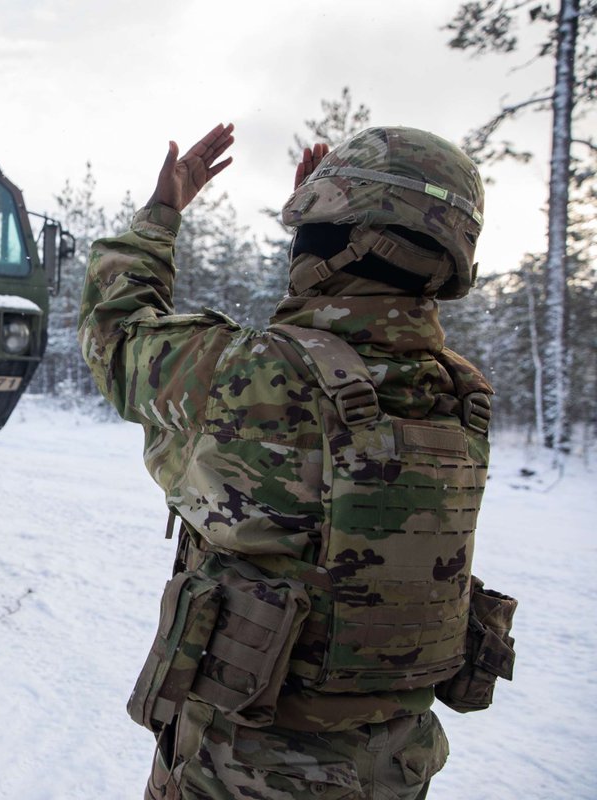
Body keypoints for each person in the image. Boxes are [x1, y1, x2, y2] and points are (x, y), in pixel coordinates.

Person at [79, 124, 518, 800]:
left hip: (241, 773)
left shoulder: (248, 375)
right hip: (396, 769)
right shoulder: (463, 397)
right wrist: (328, 230)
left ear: (335, 240)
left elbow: (116, 335)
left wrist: (159, 218)